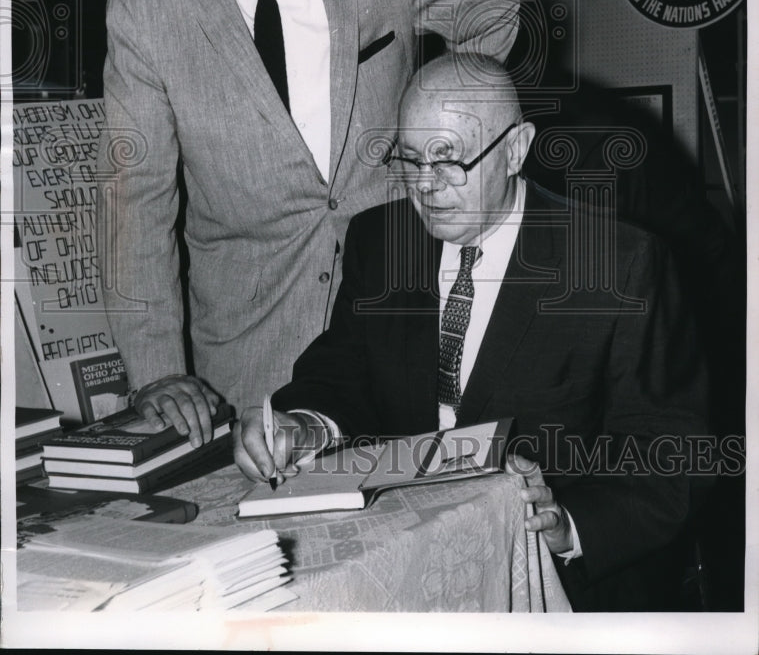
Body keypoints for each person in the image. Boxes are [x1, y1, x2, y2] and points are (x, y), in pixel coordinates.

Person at [97, 0, 520, 446]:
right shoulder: (143, 10)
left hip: (401, 324)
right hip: (250, 354)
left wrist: (428, 133)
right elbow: (136, 206)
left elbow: (491, 15)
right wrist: (155, 374)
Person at [233, 54, 711, 612]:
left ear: (515, 150)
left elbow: (671, 453)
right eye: (410, 160)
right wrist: (305, 425)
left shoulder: (616, 263)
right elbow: (342, 372)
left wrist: (570, 524)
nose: (427, 187)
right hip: (405, 564)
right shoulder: (382, 241)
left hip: (558, 583)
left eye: (450, 160)